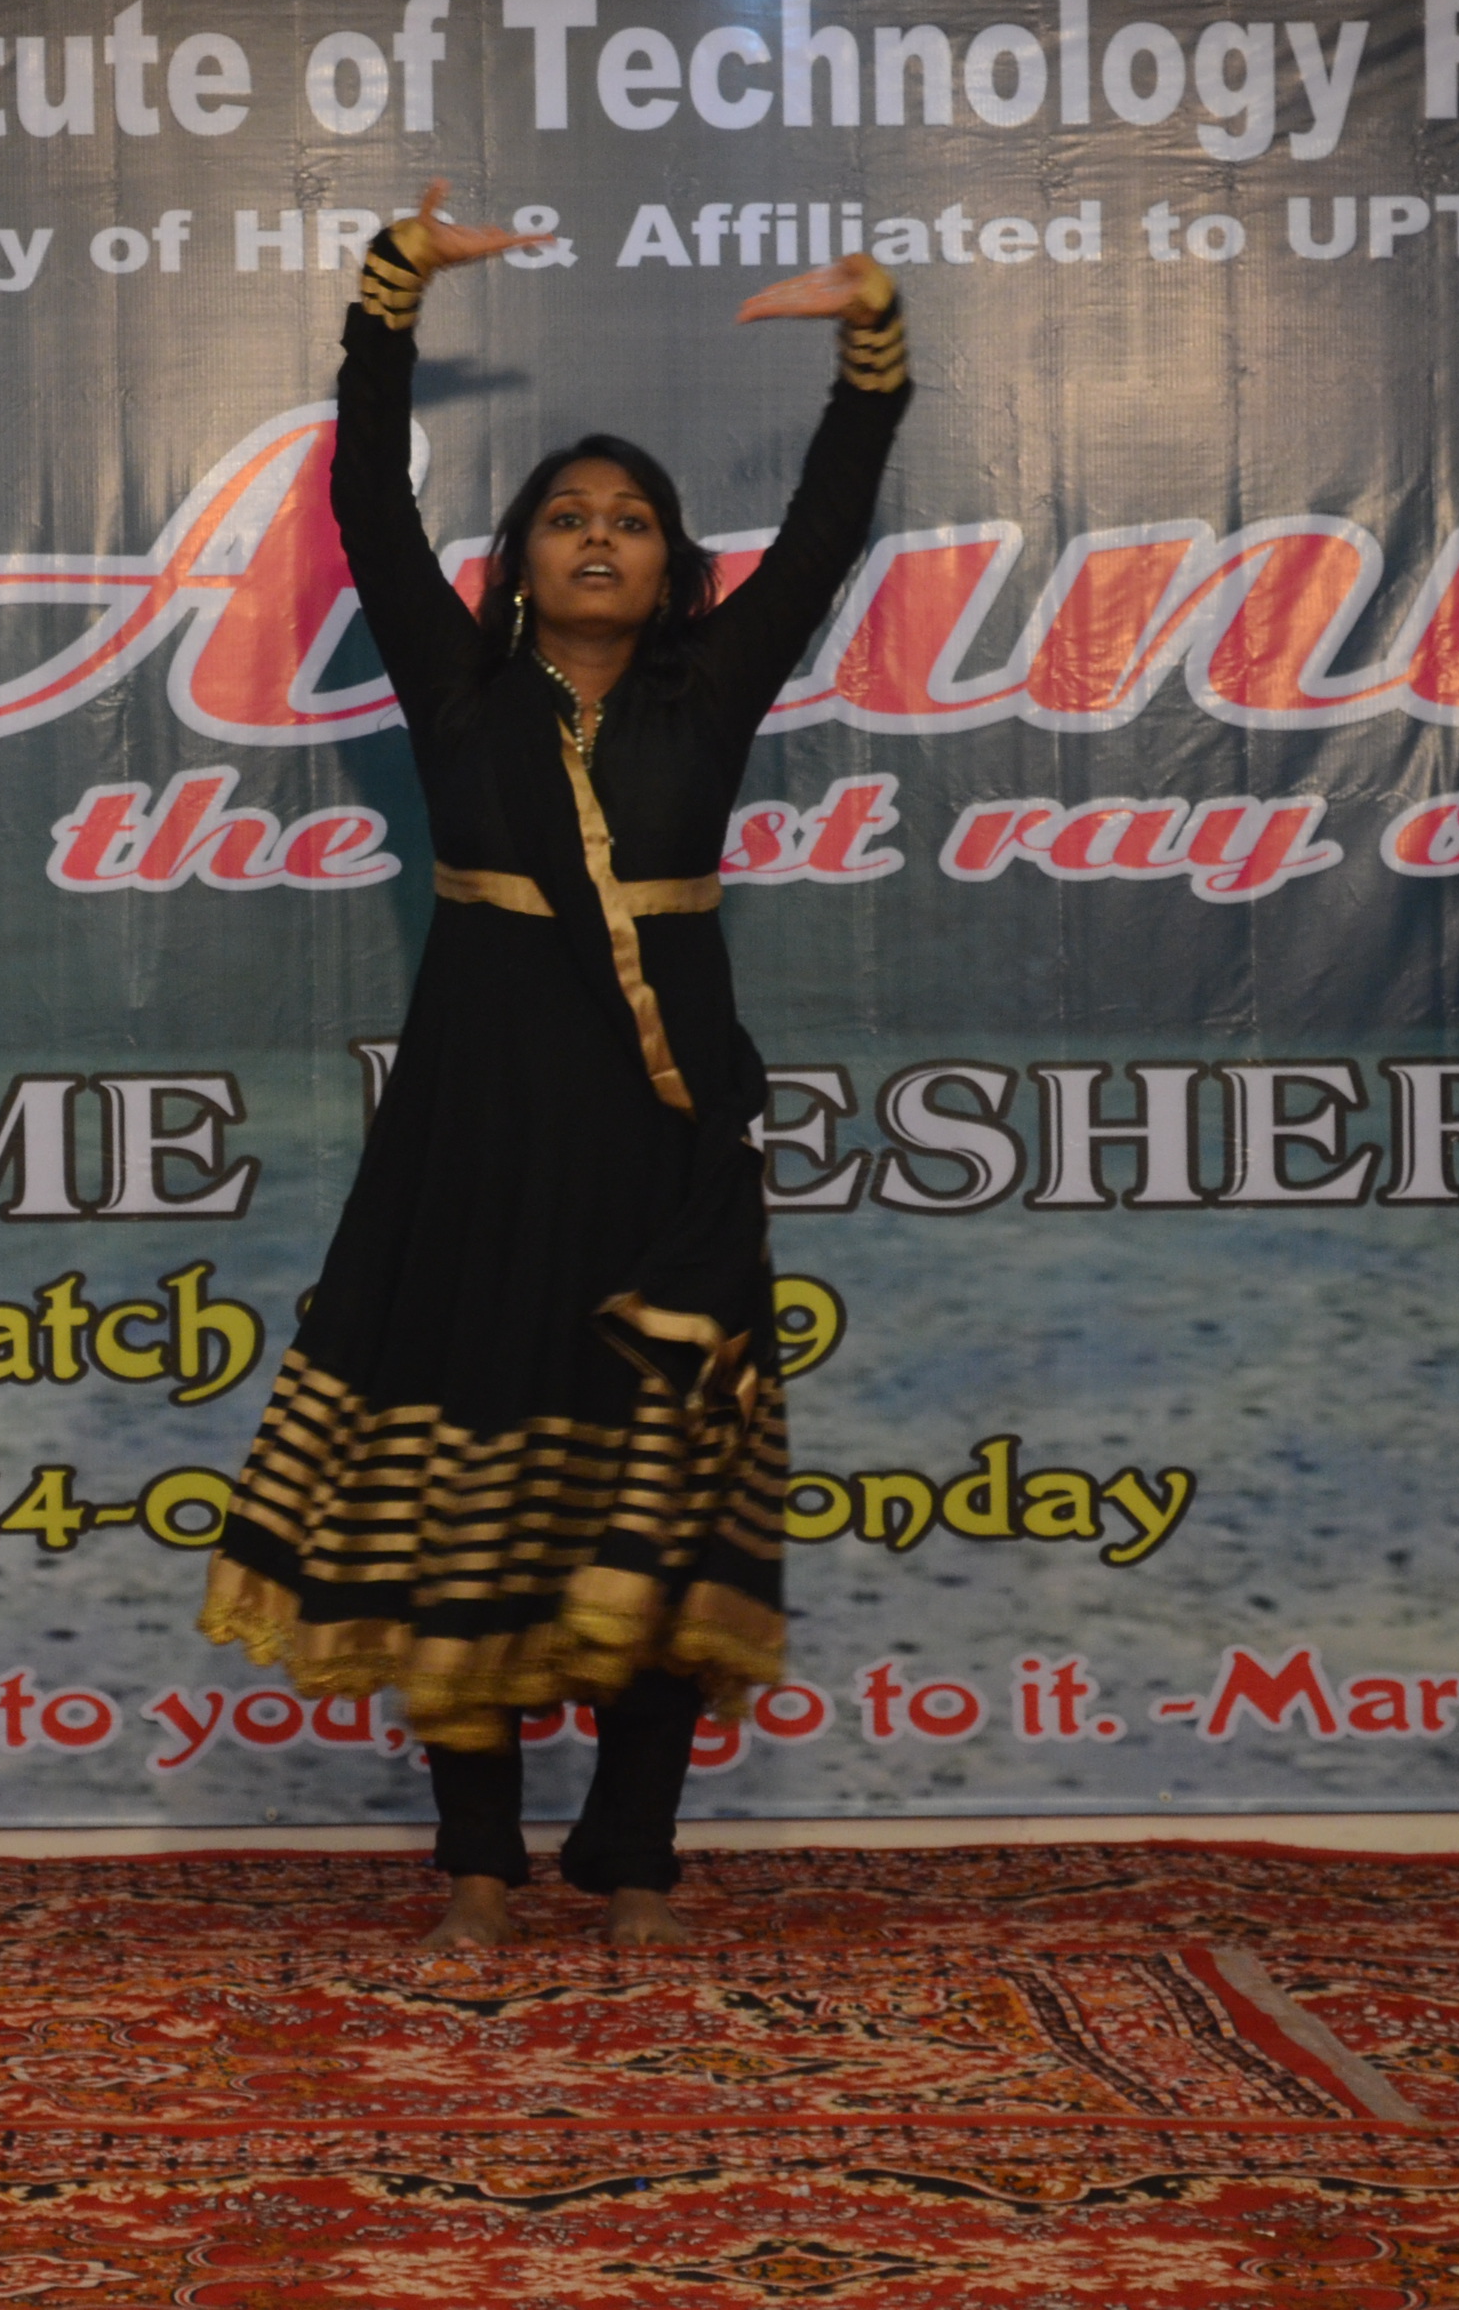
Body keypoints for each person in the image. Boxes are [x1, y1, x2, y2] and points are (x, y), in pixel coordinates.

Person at [197, 184, 911, 1950]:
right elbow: (367, 502)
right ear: (515, 562)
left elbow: (832, 523)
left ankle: (635, 1854)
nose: (600, 540)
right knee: (467, 1514)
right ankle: (475, 1863)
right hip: (475, 1147)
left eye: (634, 523)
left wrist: (871, 346)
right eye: (567, 520)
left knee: (663, 1495)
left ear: (676, 568)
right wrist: (389, 293)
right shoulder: (457, 691)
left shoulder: (712, 692)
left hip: (667, 1161)